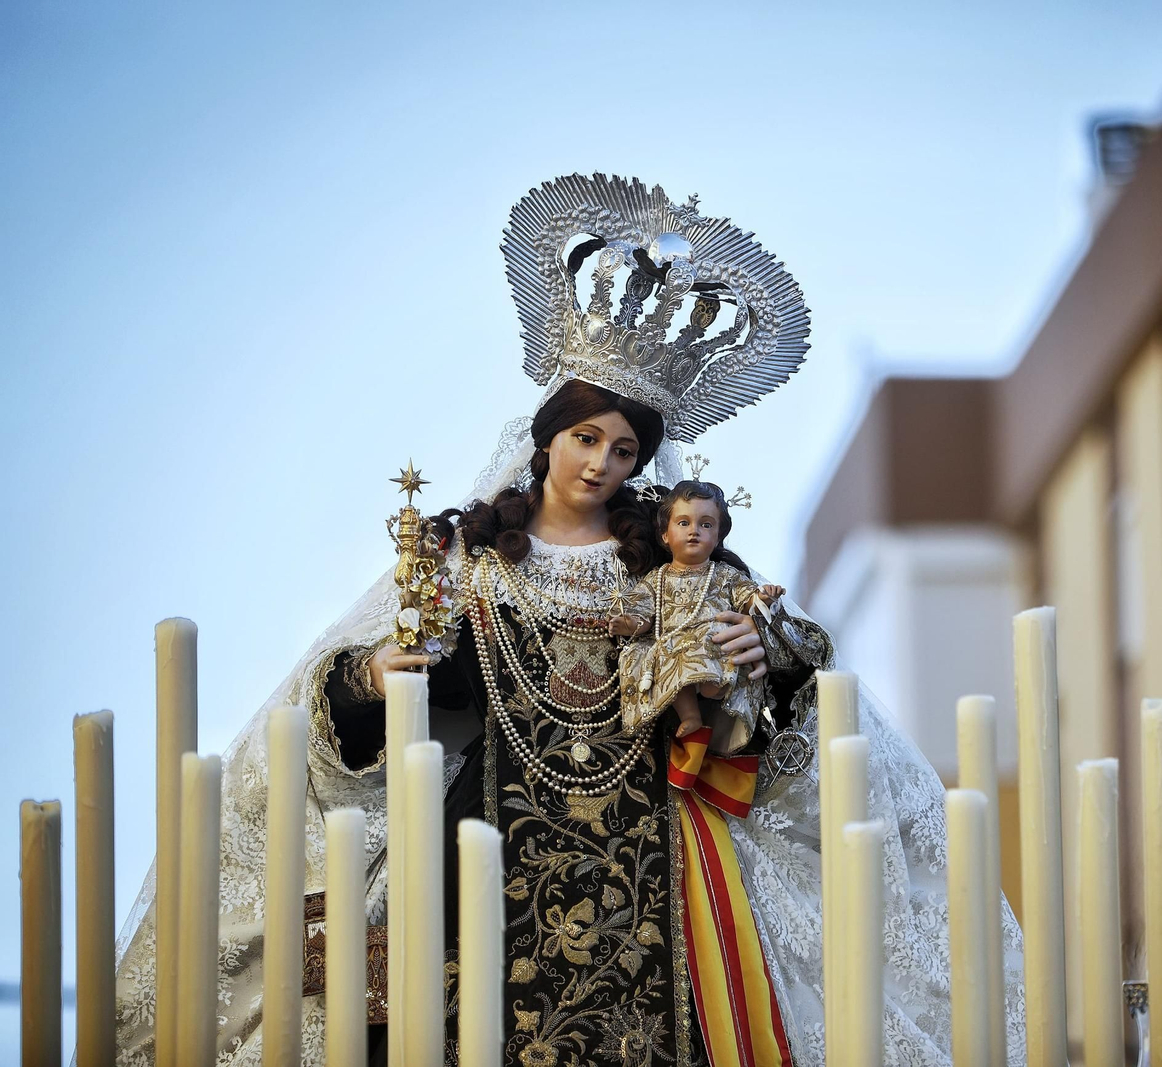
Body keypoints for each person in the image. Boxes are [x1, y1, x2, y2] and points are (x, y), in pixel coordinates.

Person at [109, 174, 1028, 1067]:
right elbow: (353, 694)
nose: (601, 463)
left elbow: (788, 675)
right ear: (548, 433)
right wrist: (377, 675)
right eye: (587, 438)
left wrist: (761, 655)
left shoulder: (675, 563)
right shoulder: (466, 558)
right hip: (478, 862)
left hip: (660, 872)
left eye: (624, 449)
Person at [611, 477, 785, 746]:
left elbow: (747, 599)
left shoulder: (725, 575)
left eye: (706, 525)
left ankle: (714, 687)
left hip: (710, 642)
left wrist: (763, 598)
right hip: (670, 646)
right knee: (654, 652)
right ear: (665, 535)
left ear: (717, 537)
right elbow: (643, 611)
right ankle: (690, 715)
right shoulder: (656, 578)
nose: (694, 531)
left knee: (714, 632)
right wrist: (631, 623)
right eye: (684, 523)